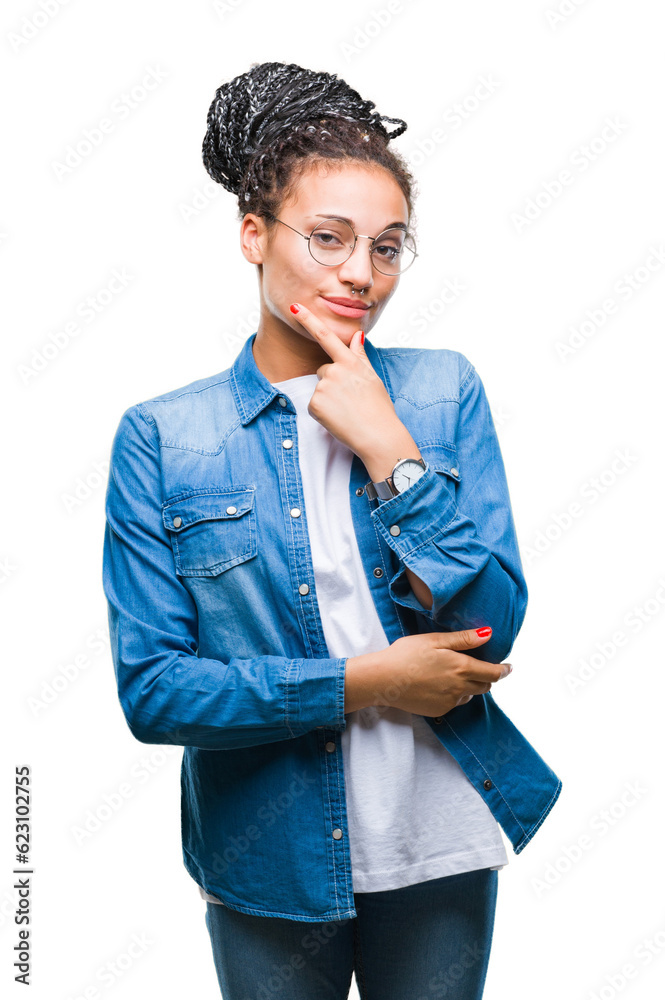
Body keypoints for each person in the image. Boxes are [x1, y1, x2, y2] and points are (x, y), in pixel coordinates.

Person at [102, 61, 562, 1000]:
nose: (361, 272)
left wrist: (391, 451)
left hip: (440, 842)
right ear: (252, 234)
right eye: (327, 239)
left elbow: (492, 628)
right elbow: (156, 691)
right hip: (266, 857)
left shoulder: (439, 392)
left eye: (388, 247)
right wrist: (362, 684)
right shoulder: (165, 437)